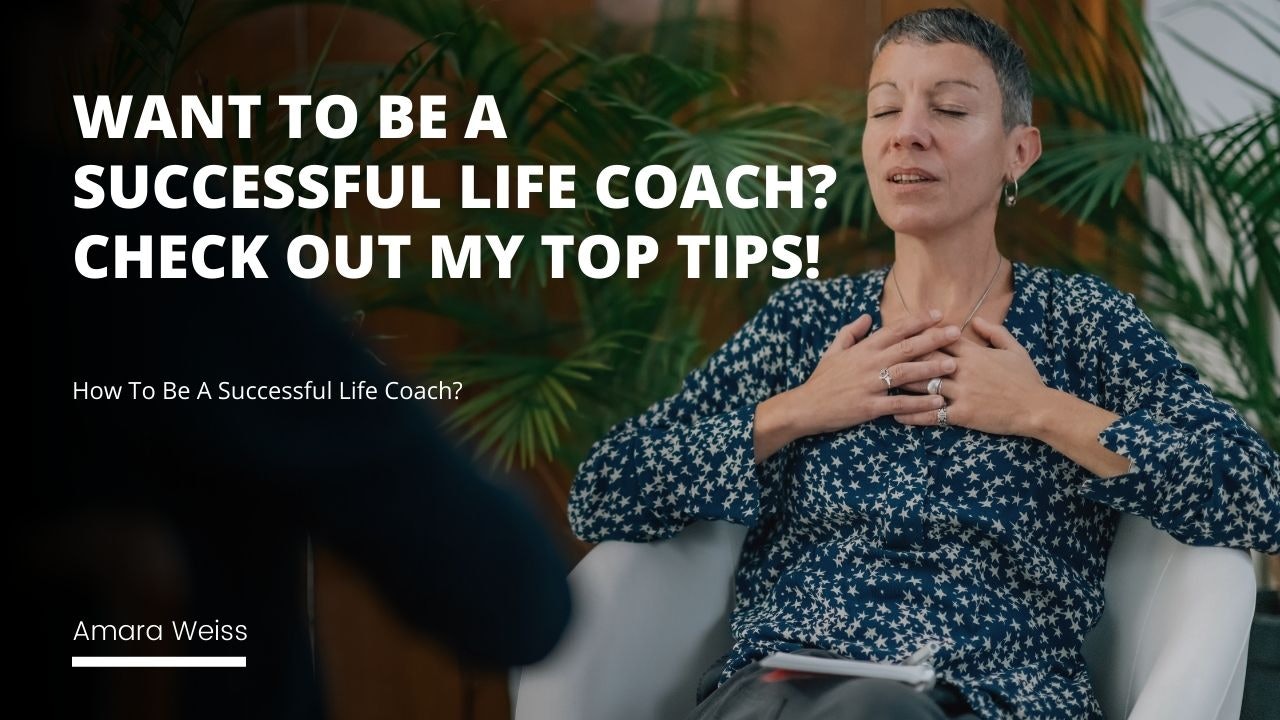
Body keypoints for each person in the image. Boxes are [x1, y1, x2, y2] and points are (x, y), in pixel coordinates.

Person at [567, 8, 1280, 720]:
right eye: (885, 109)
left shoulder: (1082, 326)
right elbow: (602, 489)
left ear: (1018, 152)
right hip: (785, 690)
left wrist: (1041, 412)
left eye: (948, 108)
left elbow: (1255, 493)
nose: (908, 130)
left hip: (997, 698)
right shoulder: (805, 325)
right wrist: (800, 409)